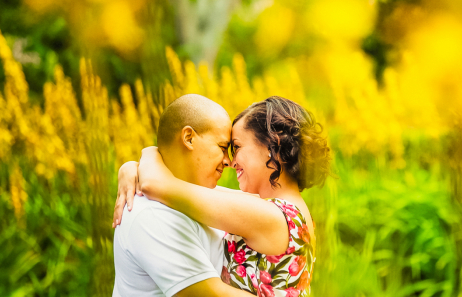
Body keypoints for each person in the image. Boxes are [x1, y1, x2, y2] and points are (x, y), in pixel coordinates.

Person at [114, 96, 333, 296]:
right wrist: (132, 167)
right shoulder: (280, 209)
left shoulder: (272, 216)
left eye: (236, 147)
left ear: (271, 146)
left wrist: (148, 153)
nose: (231, 161)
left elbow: (157, 184)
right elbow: (190, 190)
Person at [112, 94, 254, 297]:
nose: (228, 161)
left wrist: (145, 157)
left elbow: (264, 208)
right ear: (188, 138)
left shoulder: (194, 196)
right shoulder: (152, 215)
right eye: (222, 148)